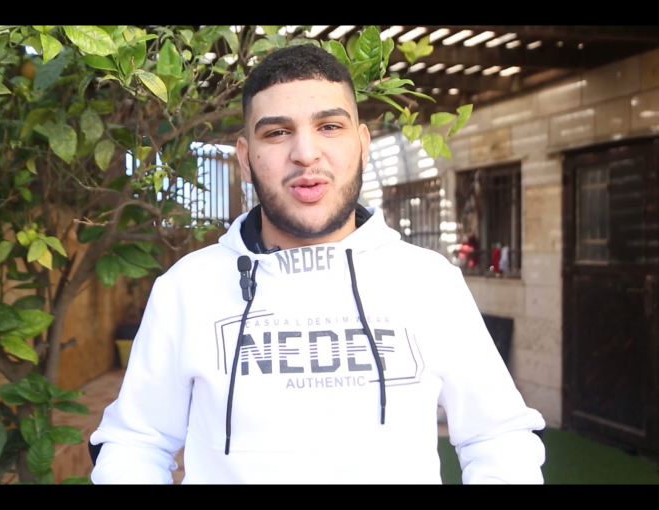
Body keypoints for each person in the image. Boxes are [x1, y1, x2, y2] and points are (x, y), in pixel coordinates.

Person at [88, 44, 546, 484]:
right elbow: (136, 443)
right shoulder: (187, 287)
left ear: (362, 145)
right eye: (277, 132)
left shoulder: (429, 282)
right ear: (245, 158)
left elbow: (498, 437)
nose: (305, 153)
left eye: (329, 126)